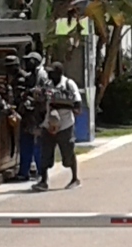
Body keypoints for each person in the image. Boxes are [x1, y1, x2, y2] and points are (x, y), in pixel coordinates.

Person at [34, 63, 81, 192]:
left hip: (65, 125)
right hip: (48, 124)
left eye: (52, 72)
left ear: (59, 73)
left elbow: (77, 105)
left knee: (68, 154)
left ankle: (75, 178)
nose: (49, 75)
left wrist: (59, 105)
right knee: (45, 154)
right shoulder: (47, 85)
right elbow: (40, 102)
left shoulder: (68, 84)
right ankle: (43, 181)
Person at [13, 52, 45, 182]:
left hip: (37, 117)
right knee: (26, 144)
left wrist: (31, 96)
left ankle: (42, 172)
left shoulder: (42, 76)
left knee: (37, 145)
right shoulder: (30, 76)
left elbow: (43, 95)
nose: (27, 64)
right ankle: (24, 172)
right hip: (28, 117)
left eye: (29, 61)